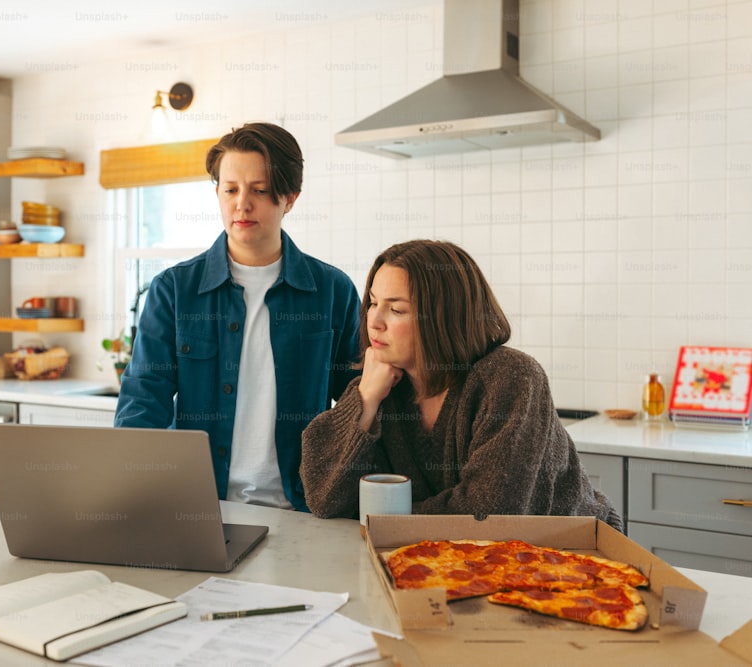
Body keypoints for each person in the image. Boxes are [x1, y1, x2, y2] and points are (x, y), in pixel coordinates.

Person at [115, 122, 361, 512]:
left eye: (259, 191)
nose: (241, 205)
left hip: (305, 508)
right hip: (201, 506)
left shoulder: (333, 290)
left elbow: (357, 404)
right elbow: (143, 402)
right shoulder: (174, 290)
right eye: (230, 190)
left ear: (290, 198)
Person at [300, 239, 622, 530]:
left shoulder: (512, 378)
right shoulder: (380, 384)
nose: (374, 320)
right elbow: (323, 497)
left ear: (443, 317)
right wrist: (365, 399)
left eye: (396, 309)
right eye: (372, 303)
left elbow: (487, 515)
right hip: (446, 559)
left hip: (574, 557)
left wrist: (381, 518)